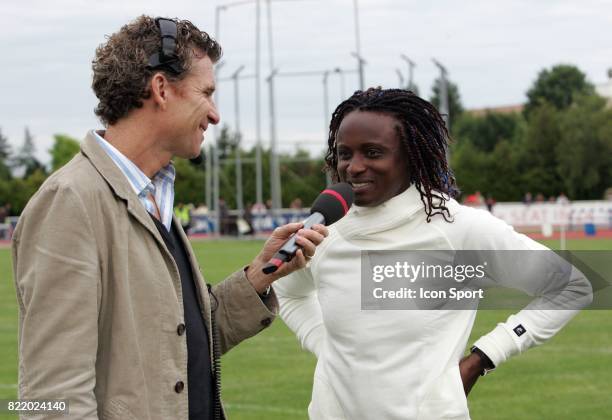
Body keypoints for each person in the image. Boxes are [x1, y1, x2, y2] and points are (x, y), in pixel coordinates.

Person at [12, 16, 327, 420]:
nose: (214, 115)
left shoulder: (153, 194)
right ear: (161, 89)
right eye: (206, 93)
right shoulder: (70, 200)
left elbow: (175, 344)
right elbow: (48, 397)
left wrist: (259, 275)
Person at [275, 88, 591, 420]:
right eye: (344, 153)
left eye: (372, 152)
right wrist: (324, 346)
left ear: (411, 156)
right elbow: (289, 293)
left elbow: (573, 285)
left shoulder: (459, 230)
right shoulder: (326, 231)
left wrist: (483, 358)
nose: (353, 167)